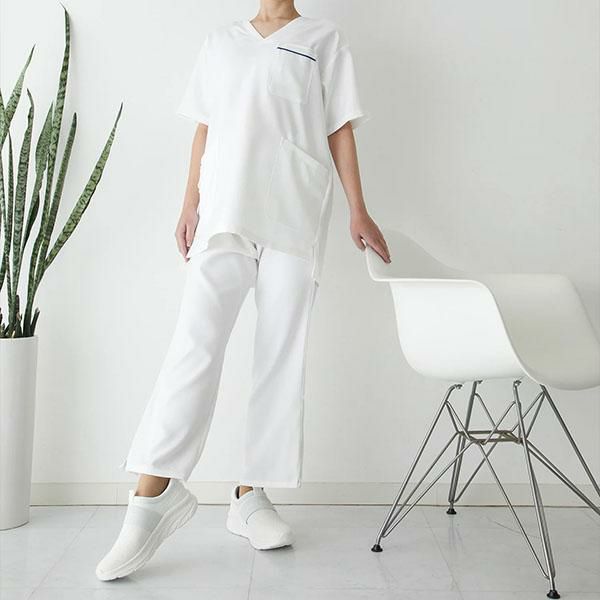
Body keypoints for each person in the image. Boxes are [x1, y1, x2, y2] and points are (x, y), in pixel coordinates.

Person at [96, 0, 390, 581]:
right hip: (223, 210)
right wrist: (189, 202)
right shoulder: (221, 41)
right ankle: (153, 494)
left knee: (279, 353)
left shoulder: (323, 39)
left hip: (294, 209)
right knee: (194, 346)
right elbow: (205, 126)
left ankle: (250, 494)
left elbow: (338, 127)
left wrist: (358, 208)